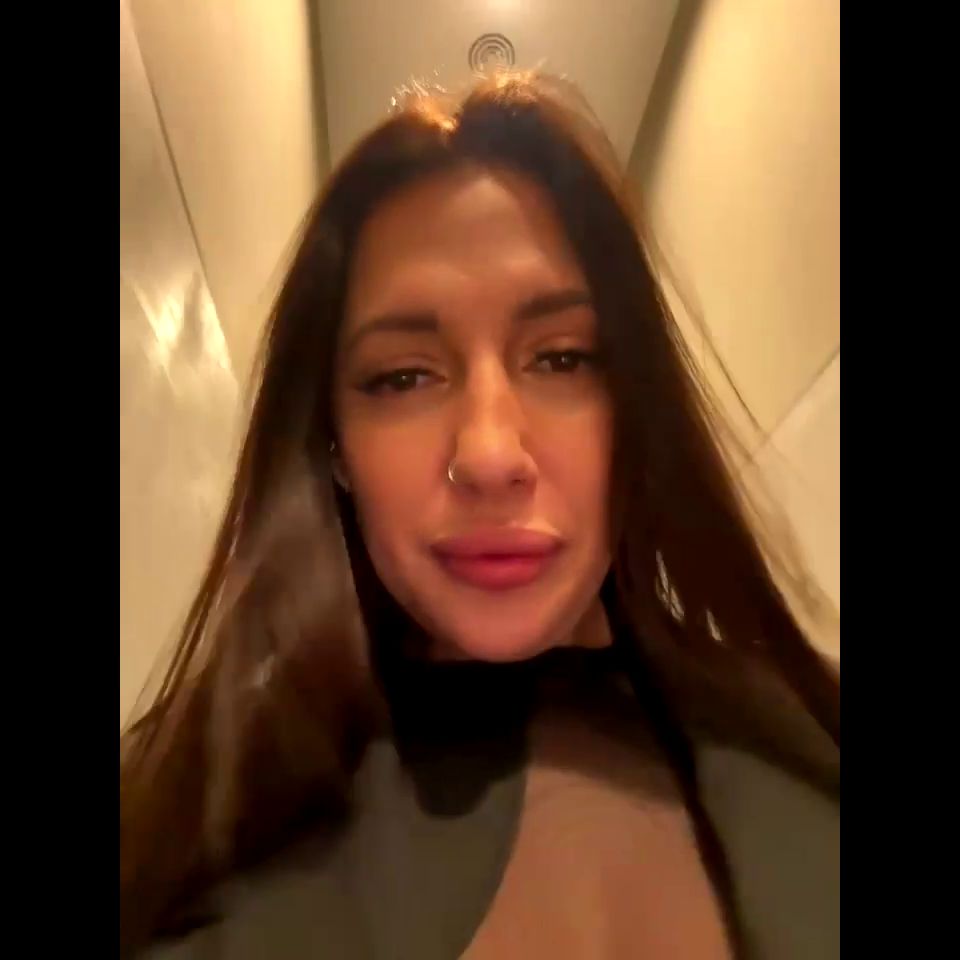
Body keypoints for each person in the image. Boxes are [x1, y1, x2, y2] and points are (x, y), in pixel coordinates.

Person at [120, 70, 839, 959]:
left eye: (563, 359)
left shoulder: (810, 734)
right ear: (334, 444)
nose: (491, 456)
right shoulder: (183, 813)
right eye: (403, 377)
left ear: (635, 406)